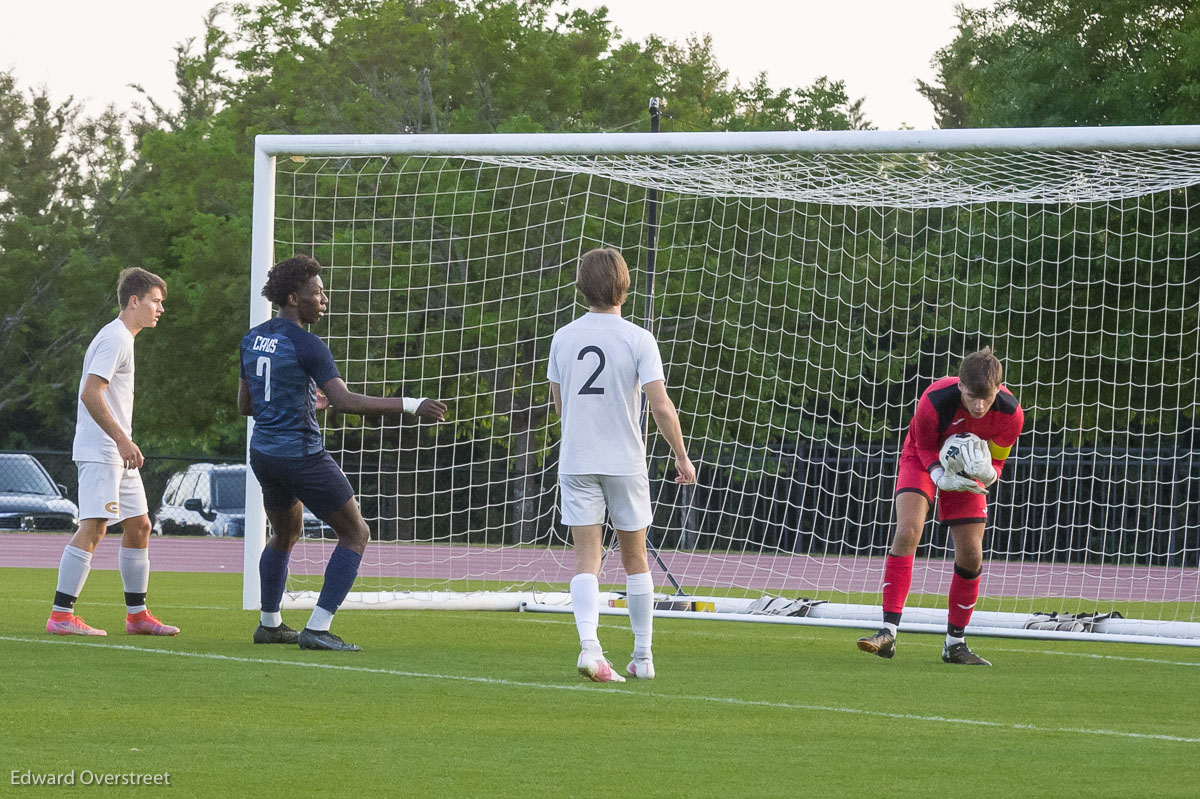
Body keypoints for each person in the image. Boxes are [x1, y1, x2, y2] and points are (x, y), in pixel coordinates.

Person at [239, 255, 447, 652]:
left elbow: (246, 405)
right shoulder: (308, 344)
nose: (325, 299)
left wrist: (298, 400)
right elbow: (346, 402)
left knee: (285, 533)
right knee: (355, 533)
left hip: (265, 453)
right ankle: (318, 628)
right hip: (301, 454)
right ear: (293, 297)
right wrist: (409, 404)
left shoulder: (252, 338)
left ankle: (269, 624)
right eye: (317, 293)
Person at [548, 247, 697, 683]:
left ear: (581, 288)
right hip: (624, 461)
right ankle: (643, 656)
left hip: (577, 458)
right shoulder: (638, 338)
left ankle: (591, 648)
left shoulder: (563, 337)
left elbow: (560, 407)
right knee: (636, 558)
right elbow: (661, 405)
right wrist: (682, 456)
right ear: (624, 287)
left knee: (585, 559)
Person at [857, 347, 1024, 666]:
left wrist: (989, 474)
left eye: (986, 398)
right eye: (972, 396)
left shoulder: (1010, 414)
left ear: (998, 389)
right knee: (908, 530)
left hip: (968, 472)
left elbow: (998, 461)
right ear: (961, 385)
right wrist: (937, 474)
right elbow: (921, 445)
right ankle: (888, 632)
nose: (979, 405)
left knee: (972, 554)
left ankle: (955, 644)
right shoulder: (934, 401)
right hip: (924, 459)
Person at [46, 268, 179, 637]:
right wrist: (122, 440)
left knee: (140, 525)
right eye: (155, 301)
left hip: (117, 451)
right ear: (134, 301)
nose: (160, 309)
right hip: (103, 450)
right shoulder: (115, 338)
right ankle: (60, 616)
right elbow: (90, 393)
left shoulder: (124, 338)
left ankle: (137, 616)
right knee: (96, 525)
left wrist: (122, 442)